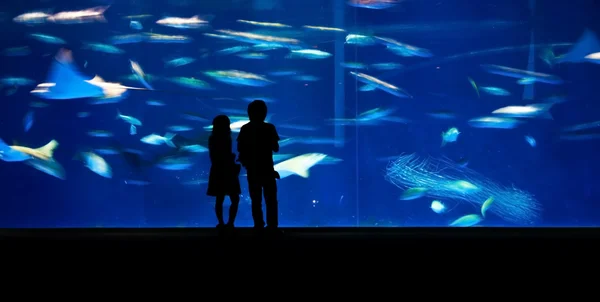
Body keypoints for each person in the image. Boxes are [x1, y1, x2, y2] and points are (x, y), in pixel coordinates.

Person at [237, 100, 281, 230]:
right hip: (267, 170)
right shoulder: (269, 128)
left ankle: (258, 226)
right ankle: (272, 227)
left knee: (256, 200)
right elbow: (276, 148)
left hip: (253, 170)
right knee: (271, 200)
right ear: (265, 113)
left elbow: (240, 148)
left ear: (249, 113)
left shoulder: (245, 128)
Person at [207, 115, 242, 229]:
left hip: (217, 170)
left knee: (219, 198)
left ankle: (221, 223)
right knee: (234, 198)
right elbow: (225, 154)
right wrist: (231, 158)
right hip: (228, 170)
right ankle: (230, 223)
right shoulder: (227, 137)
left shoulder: (212, 138)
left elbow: (214, 156)